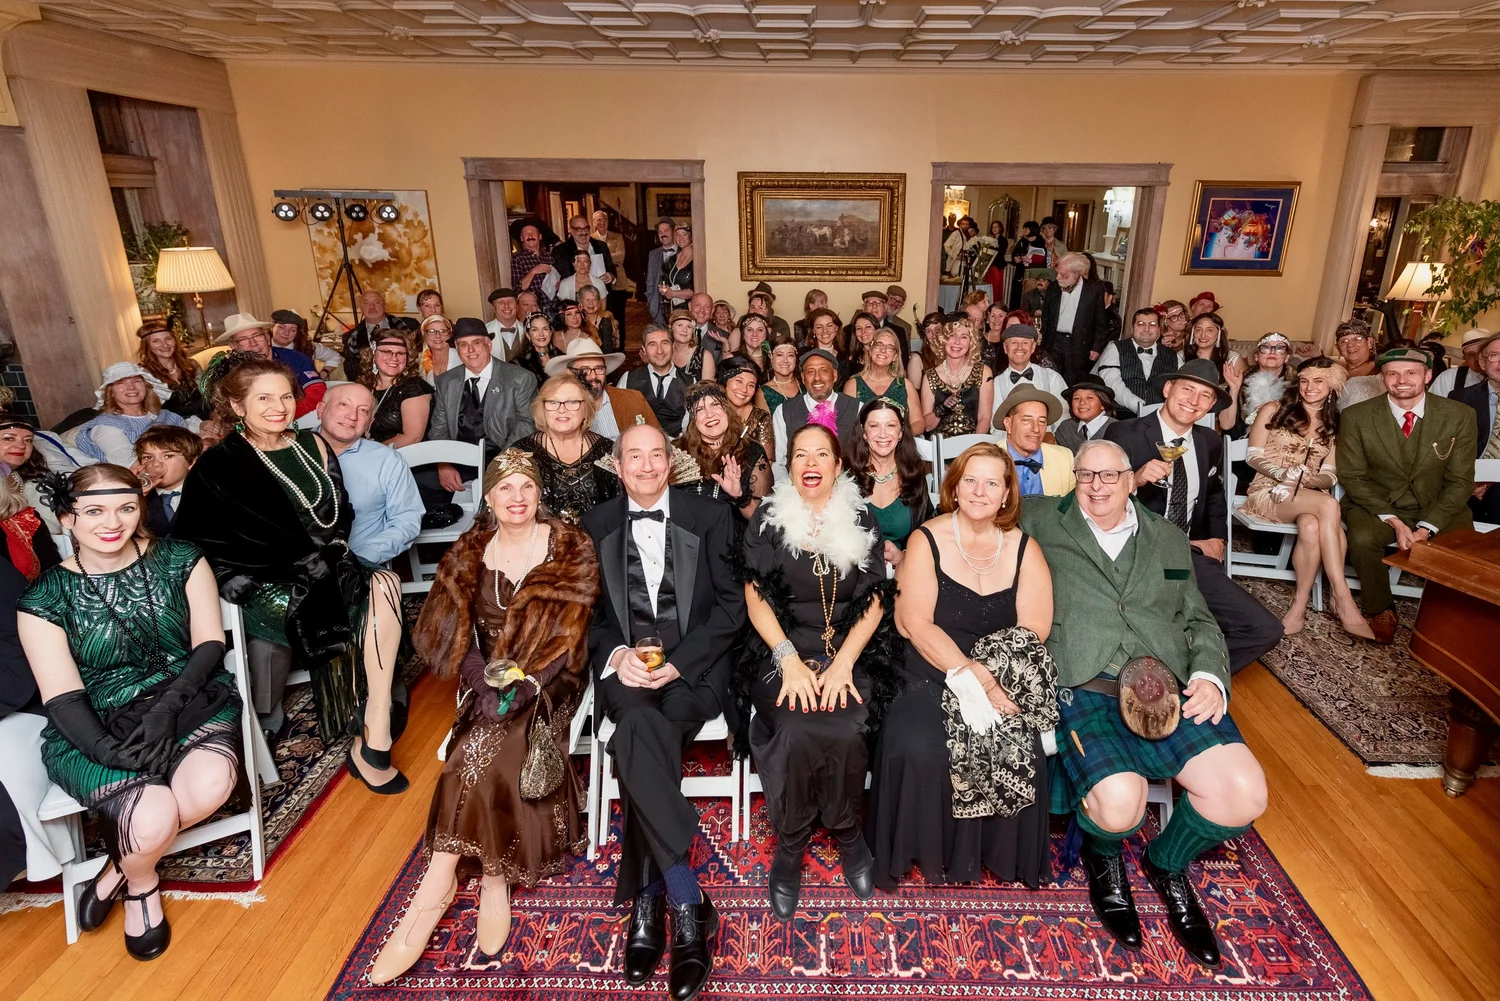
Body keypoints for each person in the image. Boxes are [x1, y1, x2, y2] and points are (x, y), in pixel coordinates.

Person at [1023, 439, 1267, 969]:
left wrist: (1208, 675)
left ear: (1133, 479)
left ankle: (1166, 862)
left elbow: (1196, 616)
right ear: (1073, 477)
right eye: (1086, 474)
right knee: (1119, 804)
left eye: (1110, 475)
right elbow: (970, 514)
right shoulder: (1039, 518)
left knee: (1243, 793)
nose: (1097, 485)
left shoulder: (1168, 540)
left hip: (1164, 685)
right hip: (1082, 683)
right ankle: (1105, 859)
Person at [368, 450, 598, 984]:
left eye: (527, 488)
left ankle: (441, 889)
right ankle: (480, 880)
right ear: (488, 498)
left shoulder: (570, 547)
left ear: (540, 495)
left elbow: (571, 637)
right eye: (505, 489)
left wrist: (528, 686)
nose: (517, 499)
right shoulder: (470, 551)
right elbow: (454, 633)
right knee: (477, 753)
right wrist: (481, 682)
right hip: (490, 683)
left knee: (483, 749)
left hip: (551, 681)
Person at [19, 464, 241, 960]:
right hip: (95, 722)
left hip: (188, 696)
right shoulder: (42, 599)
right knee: (149, 817)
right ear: (66, 519)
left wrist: (169, 706)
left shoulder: (181, 558)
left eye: (125, 507)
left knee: (207, 787)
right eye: (93, 510)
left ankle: (118, 870)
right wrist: (109, 752)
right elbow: (63, 697)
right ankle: (142, 884)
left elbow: (209, 642)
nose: (111, 522)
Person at [173, 354, 408, 784]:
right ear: (238, 405)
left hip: (327, 563)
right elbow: (191, 540)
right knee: (338, 602)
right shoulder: (218, 463)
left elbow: (341, 512)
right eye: (263, 398)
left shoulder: (312, 444)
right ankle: (369, 714)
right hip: (263, 580)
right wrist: (234, 580)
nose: (278, 407)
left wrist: (331, 554)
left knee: (386, 582)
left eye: (285, 396)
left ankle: (376, 725)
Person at [583, 423, 744, 1001]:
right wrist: (620, 654)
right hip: (629, 673)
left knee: (637, 735)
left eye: (657, 456)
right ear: (617, 465)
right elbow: (594, 621)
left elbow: (731, 608)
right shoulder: (596, 523)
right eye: (635, 457)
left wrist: (679, 664)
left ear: (670, 463)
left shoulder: (710, 515)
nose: (647, 467)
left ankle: (653, 900)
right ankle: (686, 897)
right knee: (638, 721)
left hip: (694, 670)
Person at [868, 441, 1053, 891]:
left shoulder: (1024, 547)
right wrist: (969, 676)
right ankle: (920, 848)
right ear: (954, 486)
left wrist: (989, 678)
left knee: (1017, 741)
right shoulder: (926, 538)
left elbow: (1035, 628)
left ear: (1008, 494)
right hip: (929, 660)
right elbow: (912, 621)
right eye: (970, 480)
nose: (979, 490)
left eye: (992, 482)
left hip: (1002, 667)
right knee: (918, 744)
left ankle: (992, 852)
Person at [740, 422, 894, 919]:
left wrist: (845, 661)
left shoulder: (864, 518)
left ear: (838, 465)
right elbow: (754, 594)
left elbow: (875, 599)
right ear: (790, 466)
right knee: (792, 724)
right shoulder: (766, 518)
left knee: (848, 724)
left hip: (848, 648)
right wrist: (787, 659)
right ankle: (791, 843)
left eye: (820, 454)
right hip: (779, 648)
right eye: (800, 455)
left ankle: (849, 835)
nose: (810, 463)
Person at [1105, 359, 1285, 672]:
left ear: (1212, 405)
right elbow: (1094, 496)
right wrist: (1134, 478)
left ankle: (1187, 678)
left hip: (1187, 557)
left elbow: (1214, 493)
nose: (1194, 400)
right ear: (1167, 388)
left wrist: (1219, 537)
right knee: (1136, 628)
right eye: (1187, 389)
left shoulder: (1208, 442)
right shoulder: (1124, 432)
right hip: (1134, 554)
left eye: (1204, 396)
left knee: (1264, 629)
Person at [1337, 347, 1477, 643]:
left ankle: (1447, 618)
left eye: (1411, 372)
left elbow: (1461, 481)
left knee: (1464, 547)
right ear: (1382, 378)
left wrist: (1427, 527)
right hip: (1377, 502)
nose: (1401, 380)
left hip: (1437, 502)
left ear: (1427, 375)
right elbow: (1353, 477)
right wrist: (1396, 523)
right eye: (1392, 374)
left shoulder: (1459, 415)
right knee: (1362, 538)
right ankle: (1381, 609)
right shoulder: (1356, 416)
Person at [1241, 359, 1374, 638]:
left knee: (1312, 525)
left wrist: (1310, 480)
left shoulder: (1336, 424)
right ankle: (1342, 595)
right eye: (1304, 381)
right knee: (1328, 505)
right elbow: (1252, 456)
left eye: (1318, 381)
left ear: (1332, 387)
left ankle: (1298, 607)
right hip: (1270, 490)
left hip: (1310, 498)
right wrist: (1284, 474)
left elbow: (1331, 473)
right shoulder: (1274, 409)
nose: (1309, 387)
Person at [427, 317, 538, 497]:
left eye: (476, 343)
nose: (470, 350)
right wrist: (444, 465)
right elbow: (439, 429)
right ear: (457, 348)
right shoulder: (446, 381)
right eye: (463, 345)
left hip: (504, 457)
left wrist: (501, 465)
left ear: (488, 344)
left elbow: (527, 424)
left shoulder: (520, 378)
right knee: (419, 484)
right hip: (458, 462)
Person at [317, 384, 423, 567]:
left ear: (369, 423)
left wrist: (362, 560)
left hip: (359, 567)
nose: (352, 416)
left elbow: (407, 520)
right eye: (343, 405)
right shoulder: (289, 450)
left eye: (363, 410)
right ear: (321, 410)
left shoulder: (388, 461)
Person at [512, 373, 619, 524]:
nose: (562, 410)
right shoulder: (521, 453)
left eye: (572, 402)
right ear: (542, 408)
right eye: (553, 402)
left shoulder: (608, 450)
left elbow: (623, 508)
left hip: (599, 542)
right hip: (539, 543)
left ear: (585, 408)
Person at [847, 398, 931, 569]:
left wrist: (903, 557)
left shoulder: (914, 476)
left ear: (901, 432)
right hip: (853, 576)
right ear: (864, 432)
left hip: (904, 574)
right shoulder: (847, 476)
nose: (883, 434)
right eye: (874, 426)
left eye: (891, 425)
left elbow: (927, 532)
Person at [673, 381, 764, 521]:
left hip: (732, 540)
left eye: (715, 405)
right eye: (700, 409)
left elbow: (762, 522)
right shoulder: (676, 452)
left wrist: (740, 497)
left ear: (726, 410)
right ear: (693, 419)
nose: (709, 414)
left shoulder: (752, 452)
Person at [770, 349, 860, 483]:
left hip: (847, 495)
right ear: (802, 377)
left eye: (824, 371)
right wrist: (789, 493)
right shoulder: (783, 411)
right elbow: (779, 462)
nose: (817, 378)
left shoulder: (857, 408)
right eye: (810, 372)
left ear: (834, 375)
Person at [75, 364, 189, 467]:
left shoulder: (165, 415)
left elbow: (193, 438)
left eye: (137, 381)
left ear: (146, 386)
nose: (131, 387)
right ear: (111, 392)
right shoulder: (106, 426)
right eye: (121, 382)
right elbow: (133, 465)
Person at [218, 312, 326, 416]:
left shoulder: (295, 358)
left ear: (267, 338)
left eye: (257, 336)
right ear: (233, 346)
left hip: (298, 420)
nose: (253, 343)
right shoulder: (227, 369)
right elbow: (222, 407)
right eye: (243, 339)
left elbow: (317, 391)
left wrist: (285, 414)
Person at [549, 338, 657, 440]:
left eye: (599, 368)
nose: (593, 376)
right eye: (585, 370)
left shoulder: (633, 399)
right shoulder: (560, 409)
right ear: (569, 373)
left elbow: (658, 438)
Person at [1040, 252, 1109, 385]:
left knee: (1073, 381)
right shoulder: (1054, 288)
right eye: (1057, 273)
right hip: (1054, 341)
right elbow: (1046, 316)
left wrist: (1096, 347)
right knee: (1050, 378)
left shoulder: (1093, 289)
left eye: (1063, 274)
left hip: (1079, 343)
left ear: (1076, 273)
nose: (1058, 277)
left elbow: (1100, 321)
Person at [1094, 307, 1177, 419]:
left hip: (1160, 418)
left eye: (1152, 324)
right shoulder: (1115, 348)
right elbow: (1112, 382)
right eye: (1141, 324)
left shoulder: (1173, 356)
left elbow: (1179, 388)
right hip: (1121, 416)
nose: (1146, 329)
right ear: (1132, 328)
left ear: (1159, 329)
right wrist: (1140, 407)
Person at [1454, 331, 1500, 525]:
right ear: (1482, 363)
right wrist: (1466, 484)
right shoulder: (1460, 399)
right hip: (1467, 482)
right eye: (1495, 355)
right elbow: (1446, 449)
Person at [994, 388, 1075, 497]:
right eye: (1027, 420)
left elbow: (1071, 508)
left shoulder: (1064, 458)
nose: (1036, 429)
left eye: (1042, 421)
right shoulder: (985, 460)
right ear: (1008, 424)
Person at [921, 314, 993, 436]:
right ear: (943, 339)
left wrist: (972, 450)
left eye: (964, 337)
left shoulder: (984, 372)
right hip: (941, 449)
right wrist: (942, 408)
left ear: (971, 342)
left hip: (973, 446)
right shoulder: (930, 377)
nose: (957, 342)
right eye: (952, 336)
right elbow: (927, 426)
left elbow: (984, 418)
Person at [358, 330, 432, 449]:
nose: (394, 358)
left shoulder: (413, 387)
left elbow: (412, 437)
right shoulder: (366, 384)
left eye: (400, 353)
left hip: (405, 459)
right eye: (387, 352)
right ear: (373, 354)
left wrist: (368, 453)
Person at [845, 328, 924, 433]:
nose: (883, 350)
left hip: (899, 445)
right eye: (879, 345)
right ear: (870, 350)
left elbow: (918, 423)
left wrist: (899, 436)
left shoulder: (906, 385)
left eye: (890, 347)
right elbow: (847, 425)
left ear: (895, 356)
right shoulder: (852, 385)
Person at [618, 323, 687, 434]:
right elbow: (620, 419)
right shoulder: (628, 379)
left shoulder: (690, 382)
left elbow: (691, 429)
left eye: (664, 343)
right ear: (644, 349)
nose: (659, 351)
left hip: (678, 447)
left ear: (673, 346)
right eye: (652, 345)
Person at [135, 425, 201, 539]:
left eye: (168, 456)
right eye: (148, 457)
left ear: (191, 463)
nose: (156, 463)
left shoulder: (208, 492)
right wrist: (135, 496)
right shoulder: (137, 495)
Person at [990, 323, 1067, 415]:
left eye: (1025, 342)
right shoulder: (997, 384)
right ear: (1005, 348)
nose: (1019, 347)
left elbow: (1064, 415)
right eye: (1014, 342)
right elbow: (995, 424)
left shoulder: (1052, 378)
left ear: (1033, 347)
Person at [1185, 312, 1244, 432]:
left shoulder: (1232, 359)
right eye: (1198, 330)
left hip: (1221, 420)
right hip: (1187, 415)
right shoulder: (1181, 357)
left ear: (1219, 334)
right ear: (1192, 333)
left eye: (1209, 330)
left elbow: (1241, 396)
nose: (1203, 335)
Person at [135, 324, 207, 420]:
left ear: (175, 340)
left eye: (168, 339)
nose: (165, 345)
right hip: (173, 426)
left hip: (207, 420)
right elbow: (153, 412)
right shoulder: (144, 373)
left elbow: (207, 397)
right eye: (156, 341)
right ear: (146, 345)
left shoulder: (191, 364)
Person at [718, 354, 776, 474]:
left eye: (751, 385)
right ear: (725, 382)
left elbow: (767, 462)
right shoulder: (710, 413)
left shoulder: (761, 417)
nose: (744, 390)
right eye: (739, 381)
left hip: (749, 480)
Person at [345, 290, 417, 383]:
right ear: (361, 308)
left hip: (406, 382)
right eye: (366, 303)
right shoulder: (352, 338)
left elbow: (417, 359)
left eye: (376, 302)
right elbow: (352, 371)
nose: (372, 307)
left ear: (384, 305)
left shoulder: (409, 326)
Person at [1240, 332, 1293, 428]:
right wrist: (1233, 390)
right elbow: (1227, 425)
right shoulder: (1240, 381)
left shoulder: (1296, 384)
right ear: (1256, 356)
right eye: (1266, 347)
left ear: (1287, 357)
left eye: (1279, 348)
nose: (1272, 352)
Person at [1054, 375, 1117, 453]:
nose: (1082, 402)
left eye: (1089, 398)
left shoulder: (1118, 430)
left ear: (1103, 404)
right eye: (1076, 398)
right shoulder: (1066, 428)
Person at [271, 309, 340, 376]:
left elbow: (334, 356)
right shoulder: (263, 347)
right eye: (281, 328)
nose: (286, 333)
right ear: (272, 327)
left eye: (292, 330)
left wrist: (324, 373)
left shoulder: (306, 347)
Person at [1432, 328, 1492, 397]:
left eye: (1482, 353)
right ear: (1465, 357)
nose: (1477, 359)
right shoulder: (1449, 378)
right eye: (1471, 355)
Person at [667, 309, 716, 384]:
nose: (684, 330)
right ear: (671, 327)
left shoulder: (705, 356)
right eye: (680, 325)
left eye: (689, 327)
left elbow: (708, 390)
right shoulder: (665, 352)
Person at [511, 223, 555, 306]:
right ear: (521, 238)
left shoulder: (549, 256)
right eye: (526, 234)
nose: (530, 236)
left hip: (552, 305)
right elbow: (518, 289)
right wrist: (533, 271)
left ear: (540, 237)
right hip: (532, 307)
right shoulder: (517, 258)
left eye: (533, 233)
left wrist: (558, 283)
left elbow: (555, 280)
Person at [514, 310, 562, 384]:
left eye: (545, 329)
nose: (541, 334)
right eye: (535, 330)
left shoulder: (561, 358)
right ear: (528, 335)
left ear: (551, 332)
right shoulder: (519, 364)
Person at [543, 249, 608, 304]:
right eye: (579, 261)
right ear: (574, 264)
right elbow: (565, 308)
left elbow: (602, 308)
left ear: (590, 264)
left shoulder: (599, 283)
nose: (582, 265)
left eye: (585, 261)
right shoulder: (565, 283)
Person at [644, 218, 677, 326]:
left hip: (679, 302)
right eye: (660, 232)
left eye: (666, 230)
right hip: (658, 305)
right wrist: (651, 303)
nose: (663, 234)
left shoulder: (685, 252)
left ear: (673, 232)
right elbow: (650, 281)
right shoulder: (653, 254)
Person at [761, 337, 802, 415]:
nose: (785, 360)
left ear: (796, 359)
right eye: (780, 355)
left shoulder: (805, 384)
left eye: (790, 355)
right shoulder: (764, 393)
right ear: (771, 358)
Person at [485, 288, 527, 362]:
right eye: (501, 302)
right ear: (494, 309)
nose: (506, 306)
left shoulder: (527, 330)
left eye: (510, 302)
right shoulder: (484, 332)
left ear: (517, 307)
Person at [660, 224, 694, 314]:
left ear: (691, 236)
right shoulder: (672, 259)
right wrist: (664, 289)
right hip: (673, 307)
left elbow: (696, 290)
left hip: (690, 308)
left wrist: (673, 294)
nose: (680, 237)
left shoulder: (697, 260)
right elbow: (665, 281)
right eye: (677, 234)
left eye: (684, 234)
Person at [689, 292, 733, 360]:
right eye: (698, 305)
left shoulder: (723, 335)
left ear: (712, 310)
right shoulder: (679, 332)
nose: (702, 310)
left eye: (707, 307)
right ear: (690, 306)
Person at [419, 314, 459, 386]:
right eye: (431, 331)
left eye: (443, 331)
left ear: (450, 334)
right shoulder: (418, 361)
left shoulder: (461, 356)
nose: (438, 336)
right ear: (423, 335)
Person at [579, 286, 617, 354]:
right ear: (581, 303)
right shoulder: (577, 320)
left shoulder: (605, 320)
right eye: (587, 300)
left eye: (594, 300)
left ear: (599, 303)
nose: (591, 303)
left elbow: (607, 349)